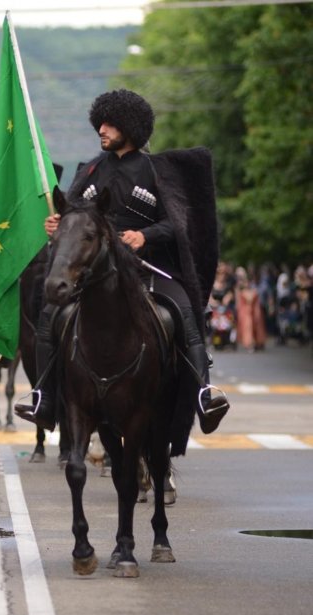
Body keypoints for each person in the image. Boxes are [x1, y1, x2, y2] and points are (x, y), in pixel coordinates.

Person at [14, 88, 230, 434]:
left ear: (129, 127)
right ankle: (45, 397)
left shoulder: (156, 170)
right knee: (49, 314)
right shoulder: (89, 171)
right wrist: (57, 224)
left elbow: (179, 222)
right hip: (94, 271)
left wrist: (146, 236)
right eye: (99, 123)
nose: (101, 129)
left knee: (184, 309)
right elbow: (73, 215)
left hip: (146, 268)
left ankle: (204, 393)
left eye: (109, 124)